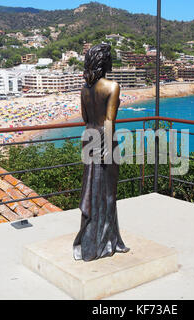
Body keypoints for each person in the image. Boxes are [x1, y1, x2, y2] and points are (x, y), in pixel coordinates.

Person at [73, 44, 130, 262]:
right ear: (104, 62)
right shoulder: (112, 86)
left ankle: (94, 240)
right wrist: (107, 149)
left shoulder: (85, 89)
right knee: (107, 193)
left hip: (89, 137)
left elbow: (85, 118)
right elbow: (109, 120)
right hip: (105, 140)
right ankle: (106, 242)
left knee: (90, 189)